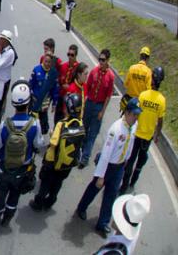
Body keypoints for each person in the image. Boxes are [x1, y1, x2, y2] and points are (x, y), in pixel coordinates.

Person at [75, 98, 141, 238]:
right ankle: (81, 207)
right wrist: (101, 175)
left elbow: (130, 144)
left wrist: (126, 162)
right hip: (108, 166)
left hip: (119, 166)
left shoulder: (134, 126)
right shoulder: (116, 129)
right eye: (134, 114)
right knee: (95, 187)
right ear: (127, 113)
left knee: (111, 194)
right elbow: (106, 154)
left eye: (137, 115)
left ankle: (103, 222)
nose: (136, 118)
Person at [0, 81, 45, 227]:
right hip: (23, 170)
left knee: (0, 193)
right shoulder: (35, 124)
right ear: (28, 102)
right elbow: (39, 144)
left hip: (4, 168)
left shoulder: (5, 124)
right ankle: (7, 219)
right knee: (14, 195)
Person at [30, 92, 85, 211]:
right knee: (57, 184)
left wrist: (51, 133)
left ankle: (38, 203)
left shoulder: (61, 124)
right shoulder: (81, 124)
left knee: (45, 183)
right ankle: (50, 201)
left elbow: (54, 142)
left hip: (52, 161)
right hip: (67, 164)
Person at [120, 67, 166, 194]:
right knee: (140, 161)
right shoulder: (162, 100)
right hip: (147, 137)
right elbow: (160, 121)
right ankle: (132, 183)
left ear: (151, 80)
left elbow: (136, 114)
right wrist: (157, 135)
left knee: (130, 159)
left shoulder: (143, 95)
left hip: (136, 134)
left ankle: (123, 186)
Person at [80, 49, 116, 169]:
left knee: (93, 133)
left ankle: (85, 157)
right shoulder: (94, 71)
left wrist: (102, 111)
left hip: (99, 106)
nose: (100, 62)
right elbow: (87, 86)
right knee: (84, 129)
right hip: (90, 103)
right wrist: (85, 101)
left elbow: (108, 96)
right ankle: (81, 150)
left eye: (103, 60)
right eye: (99, 59)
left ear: (107, 61)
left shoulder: (110, 77)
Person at [29, 53, 59, 135]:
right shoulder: (36, 70)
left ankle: (40, 135)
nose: (47, 64)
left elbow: (55, 90)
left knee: (44, 128)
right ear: (43, 60)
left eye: (49, 62)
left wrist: (54, 104)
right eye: (45, 61)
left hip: (45, 105)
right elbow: (30, 84)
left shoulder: (53, 74)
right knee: (31, 124)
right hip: (34, 102)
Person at [54, 45, 81, 124]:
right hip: (61, 97)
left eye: (72, 55)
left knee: (67, 121)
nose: (70, 57)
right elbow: (59, 80)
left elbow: (79, 85)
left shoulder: (78, 68)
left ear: (76, 55)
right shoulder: (64, 66)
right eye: (68, 54)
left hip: (71, 100)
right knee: (57, 120)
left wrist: (69, 87)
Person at [121, 48, 152, 113]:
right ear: (148, 58)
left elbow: (125, 84)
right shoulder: (148, 72)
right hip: (140, 103)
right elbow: (149, 89)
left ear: (140, 56)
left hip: (129, 100)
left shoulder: (132, 68)